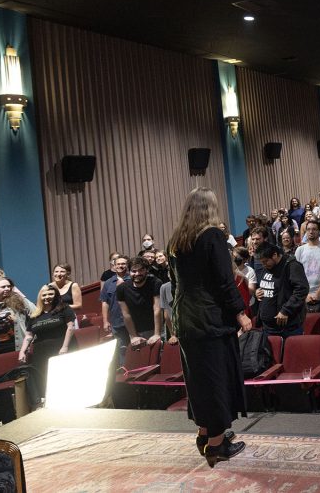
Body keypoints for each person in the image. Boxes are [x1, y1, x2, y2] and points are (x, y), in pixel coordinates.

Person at [169, 187, 253, 466]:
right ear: (210, 208)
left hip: (185, 318)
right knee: (217, 380)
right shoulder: (212, 236)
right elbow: (224, 280)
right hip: (210, 319)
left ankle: (205, 434)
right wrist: (240, 313)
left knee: (198, 380)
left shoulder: (177, 240)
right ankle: (217, 446)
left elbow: (175, 283)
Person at [21, 284, 76, 395]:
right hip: (40, 353)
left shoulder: (64, 308)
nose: (47, 297)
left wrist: (65, 347)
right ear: (40, 297)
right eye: (44, 294)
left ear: (55, 295)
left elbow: (70, 328)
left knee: (64, 379)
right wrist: (22, 351)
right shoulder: (35, 315)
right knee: (45, 380)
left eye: (50, 294)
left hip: (60, 348)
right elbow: (28, 336)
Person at [253, 241, 309, 338]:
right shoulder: (267, 266)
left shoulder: (291, 266)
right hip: (267, 327)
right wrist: (257, 292)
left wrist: (286, 310)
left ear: (274, 255)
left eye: (265, 261)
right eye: (262, 262)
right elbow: (266, 285)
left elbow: (302, 290)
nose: (264, 265)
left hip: (287, 328)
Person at [117, 257, 162, 349]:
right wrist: (133, 336)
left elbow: (157, 309)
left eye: (141, 270)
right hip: (135, 330)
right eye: (134, 271)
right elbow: (126, 314)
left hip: (156, 328)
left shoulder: (156, 283)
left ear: (146, 271)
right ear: (129, 272)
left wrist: (157, 334)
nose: (137, 274)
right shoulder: (121, 288)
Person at [99, 254, 131, 363]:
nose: (120, 266)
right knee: (121, 349)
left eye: (123, 264)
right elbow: (104, 302)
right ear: (114, 265)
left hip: (134, 320)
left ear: (127, 265)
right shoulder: (108, 283)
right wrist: (105, 321)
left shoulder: (133, 279)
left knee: (137, 346)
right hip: (117, 322)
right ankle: (124, 371)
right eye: (118, 264)